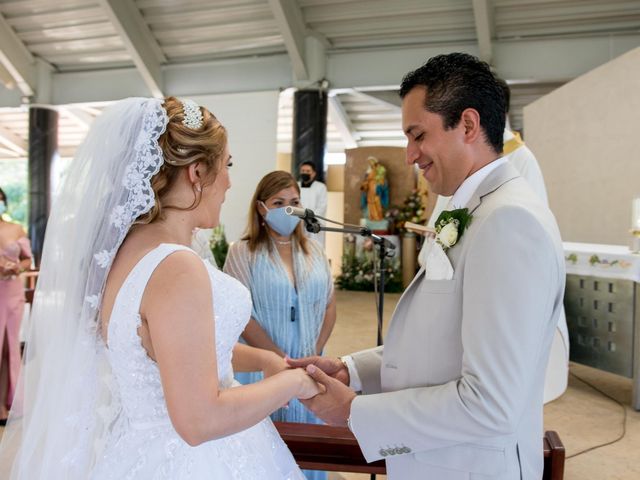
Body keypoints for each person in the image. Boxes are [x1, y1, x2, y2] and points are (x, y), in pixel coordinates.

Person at [0, 97, 323, 479]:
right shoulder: (176, 267)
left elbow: (182, 349)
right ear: (197, 172)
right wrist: (294, 382)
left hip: (137, 450)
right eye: (228, 165)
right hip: (195, 461)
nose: (231, 182)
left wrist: (265, 361)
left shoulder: (124, 254)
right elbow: (199, 420)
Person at [289, 53, 565, 480]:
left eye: (418, 135)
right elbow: (442, 344)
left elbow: (490, 403)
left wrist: (352, 411)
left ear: (468, 125)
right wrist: (352, 370)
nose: (409, 155)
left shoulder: (510, 222)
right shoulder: (473, 208)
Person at [421, 77, 569, 404]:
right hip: (456, 277)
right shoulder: (462, 156)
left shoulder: (520, 158)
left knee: (498, 387)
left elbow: (522, 225)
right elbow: (448, 211)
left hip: (492, 275)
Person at [224, 171, 335, 480]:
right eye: (279, 202)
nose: (289, 209)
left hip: (311, 367)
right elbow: (242, 315)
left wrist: (313, 352)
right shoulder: (242, 252)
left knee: (309, 448)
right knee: (267, 454)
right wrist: (280, 361)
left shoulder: (314, 251)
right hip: (262, 369)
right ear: (262, 207)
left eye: (295, 202)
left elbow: (329, 306)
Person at [0, 188, 32, 426]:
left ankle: (5, 403)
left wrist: (17, 269)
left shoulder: (15, 229)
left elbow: (27, 259)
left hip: (11, 292)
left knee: (9, 347)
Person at [298, 161, 328, 247]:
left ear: (313, 173)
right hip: (299, 224)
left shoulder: (321, 187)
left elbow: (322, 206)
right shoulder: (296, 186)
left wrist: (311, 218)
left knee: (315, 248)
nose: (305, 173)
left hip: (314, 223)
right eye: (303, 171)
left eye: (308, 171)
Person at [359, 156, 389, 222]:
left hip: (376, 189)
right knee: (370, 202)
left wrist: (379, 182)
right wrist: (364, 185)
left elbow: (382, 181)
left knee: (377, 202)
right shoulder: (369, 171)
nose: (371, 164)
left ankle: (378, 217)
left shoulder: (379, 170)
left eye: (372, 162)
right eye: (370, 163)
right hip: (370, 190)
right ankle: (372, 217)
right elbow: (366, 180)